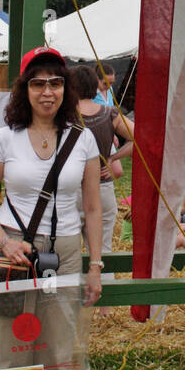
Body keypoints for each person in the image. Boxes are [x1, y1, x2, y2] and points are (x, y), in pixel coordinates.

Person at [0, 45, 103, 370]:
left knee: (59, 347)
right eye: (37, 83)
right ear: (24, 89)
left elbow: (93, 208)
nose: (47, 92)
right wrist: (3, 241)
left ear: (65, 88)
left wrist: (95, 265)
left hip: (64, 252)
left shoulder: (81, 138)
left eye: (54, 82)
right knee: (13, 348)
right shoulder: (6, 136)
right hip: (16, 253)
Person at [67, 64, 133, 260]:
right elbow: (140, 138)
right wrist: (113, 158)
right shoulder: (110, 113)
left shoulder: (63, 117)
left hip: (71, 190)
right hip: (102, 188)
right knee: (103, 255)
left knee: (67, 255)